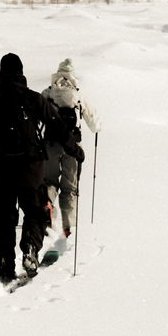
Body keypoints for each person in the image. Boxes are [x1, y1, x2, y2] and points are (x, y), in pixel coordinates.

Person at [0, 53, 59, 282]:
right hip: (31, 169)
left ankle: (4, 261)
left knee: (4, 216)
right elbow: (57, 125)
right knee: (35, 212)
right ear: (21, 73)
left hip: (3, 168)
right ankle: (30, 248)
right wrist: (76, 150)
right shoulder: (33, 99)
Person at [43, 58, 101, 239]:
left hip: (51, 143)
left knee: (50, 180)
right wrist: (96, 128)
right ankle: (68, 225)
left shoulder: (49, 92)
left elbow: (36, 112)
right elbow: (92, 118)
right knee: (69, 186)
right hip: (73, 146)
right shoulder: (78, 94)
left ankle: (47, 205)